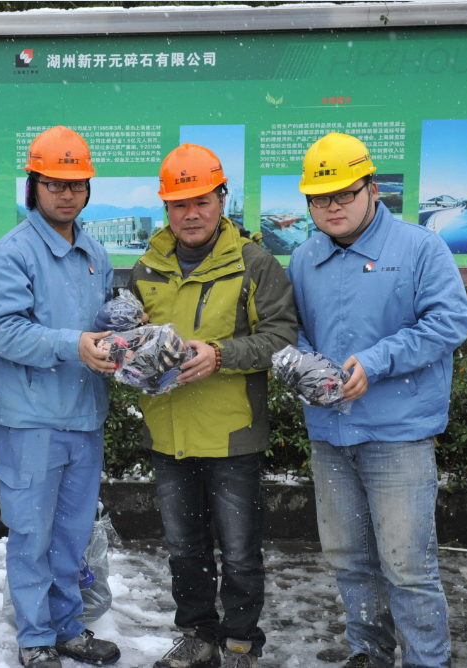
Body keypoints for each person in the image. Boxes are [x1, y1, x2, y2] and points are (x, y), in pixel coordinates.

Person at [286, 133, 467, 668]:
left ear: (372, 188)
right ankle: (368, 651)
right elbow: (292, 330)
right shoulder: (304, 257)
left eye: (345, 193)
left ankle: (426, 661)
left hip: (398, 436)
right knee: (349, 559)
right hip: (330, 435)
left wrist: (377, 361)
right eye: (320, 198)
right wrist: (304, 365)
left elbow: (450, 321)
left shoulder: (419, 247)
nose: (332, 207)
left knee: (407, 566)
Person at [126, 144, 297, 668]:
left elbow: (281, 338)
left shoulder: (254, 263)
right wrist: (130, 351)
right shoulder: (147, 268)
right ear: (166, 208)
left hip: (232, 433)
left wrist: (220, 355)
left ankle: (241, 640)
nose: (191, 214)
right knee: (184, 549)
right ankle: (198, 635)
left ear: (222, 199)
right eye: (179, 204)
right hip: (169, 432)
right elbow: (130, 338)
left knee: (240, 551)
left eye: (202, 201)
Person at [0, 126, 122, 668]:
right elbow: (3, 331)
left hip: (85, 416)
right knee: (31, 534)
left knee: (72, 535)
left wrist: (127, 336)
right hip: (31, 419)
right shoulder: (12, 253)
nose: (67, 194)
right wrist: (73, 343)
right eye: (55, 184)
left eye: (76, 184)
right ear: (33, 187)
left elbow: (100, 324)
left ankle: (67, 627)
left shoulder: (94, 251)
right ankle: (35, 637)